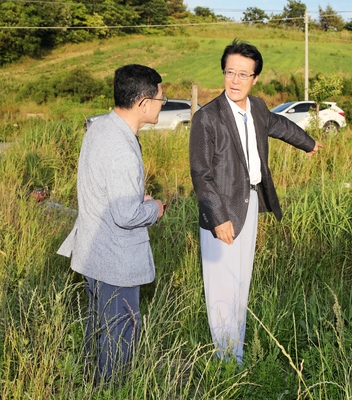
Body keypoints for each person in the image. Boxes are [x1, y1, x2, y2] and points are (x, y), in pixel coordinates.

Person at [189, 39, 323, 364]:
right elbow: (200, 174)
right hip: (221, 210)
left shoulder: (258, 108)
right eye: (230, 72)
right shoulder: (208, 117)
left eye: (243, 74)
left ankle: (237, 350)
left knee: (240, 281)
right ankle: (226, 361)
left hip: (250, 203)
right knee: (221, 288)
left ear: (254, 79)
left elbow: (279, 125)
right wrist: (218, 218)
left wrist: (308, 143)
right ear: (223, 73)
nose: (235, 80)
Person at [57, 64, 165, 381]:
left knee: (99, 328)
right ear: (144, 103)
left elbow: (105, 188)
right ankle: (111, 388)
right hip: (115, 259)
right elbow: (126, 215)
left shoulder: (101, 127)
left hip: (93, 251)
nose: (163, 103)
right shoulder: (121, 148)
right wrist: (155, 208)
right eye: (162, 98)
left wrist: (133, 198)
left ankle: (91, 383)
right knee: (119, 336)